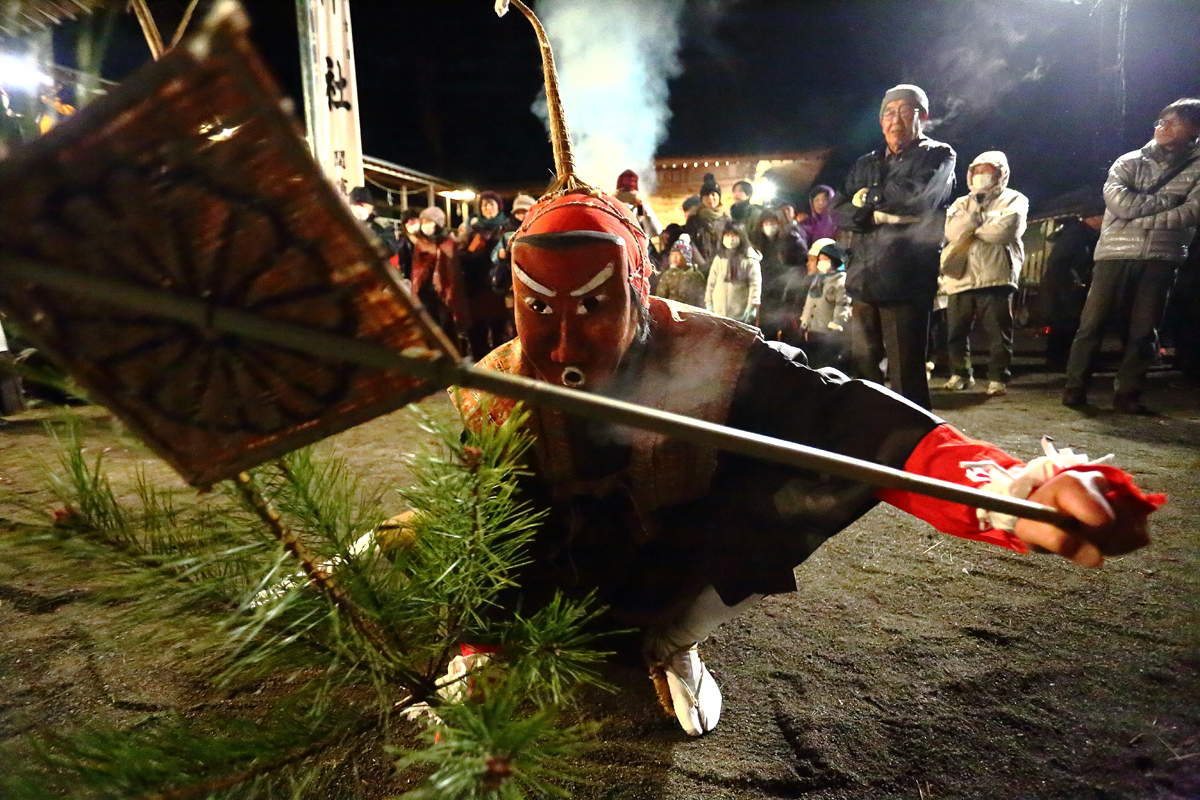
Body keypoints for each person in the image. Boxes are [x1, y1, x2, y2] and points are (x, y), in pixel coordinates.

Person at [445, 5, 1162, 741]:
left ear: (638, 289)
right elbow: (463, 533)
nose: (564, 338)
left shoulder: (713, 354)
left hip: (670, 559)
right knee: (478, 520)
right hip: (558, 570)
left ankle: (673, 637)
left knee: (819, 471)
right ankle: (489, 648)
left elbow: (864, 427)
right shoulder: (490, 388)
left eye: (593, 307)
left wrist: (1012, 493)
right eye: (538, 307)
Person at [1063, 98, 1200, 413]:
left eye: (1174, 122)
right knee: (1091, 325)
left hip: (1161, 256)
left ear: (1194, 128)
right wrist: (1167, 201)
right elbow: (1120, 204)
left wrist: (1140, 217)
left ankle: (1128, 394)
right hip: (1113, 252)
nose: (1163, 127)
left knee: (1143, 329)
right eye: (1161, 121)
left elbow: (1192, 212)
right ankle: (1074, 388)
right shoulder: (1127, 161)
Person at [834, 84, 956, 410]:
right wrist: (878, 212)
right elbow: (840, 208)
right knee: (863, 369)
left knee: (906, 375)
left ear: (923, 117)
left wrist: (867, 201)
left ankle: (913, 442)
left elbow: (916, 198)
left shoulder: (938, 155)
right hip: (862, 278)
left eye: (905, 111)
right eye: (889, 112)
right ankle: (871, 435)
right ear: (880, 120)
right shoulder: (867, 162)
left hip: (906, 280)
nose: (895, 120)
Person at [938, 151, 1029, 397]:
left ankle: (998, 378)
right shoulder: (961, 202)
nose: (982, 176)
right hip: (961, 278)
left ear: (1001, 173)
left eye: (988, 170)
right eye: (977, 171)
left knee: (998, 334)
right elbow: (953, 231)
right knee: (956, 332)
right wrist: (984, 221)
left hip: (997, 276)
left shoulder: (1015, 199)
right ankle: (960, 374)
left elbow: (1006, 230)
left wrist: (974, 227)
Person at [1039, 212, 1103, 371]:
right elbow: (1058, 262)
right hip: (1065, 291)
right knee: (1064, 325)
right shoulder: (1076, 234)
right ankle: (1059, 362)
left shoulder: (1084, 234)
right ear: (1093, 218)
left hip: (1069, 289)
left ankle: (1062, 361)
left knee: (1068, 326)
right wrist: (1073, 283)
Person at [459, 191, 513, 358]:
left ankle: (503, 370)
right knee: (477, 334)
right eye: (484, 205)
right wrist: (475, 251)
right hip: (476, 291)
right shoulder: (472, 231)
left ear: (499, 207)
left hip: (499, 290)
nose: (488, 208)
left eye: (492, 205)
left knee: (501, 334)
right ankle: (479, 373)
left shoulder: (508, 228)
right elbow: (461, 258)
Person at [411, 206, 466, 346]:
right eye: (423, 222)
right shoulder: (420, 245)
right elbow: (416, 270)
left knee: (448, 332)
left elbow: (453, 272)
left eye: (429, 221)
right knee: (429, 332)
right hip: (425, 295)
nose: (426, 225)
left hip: (445, 296)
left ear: (438, 224)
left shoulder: (449, 244)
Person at [752, 208, 808, 340]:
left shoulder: (791, 239)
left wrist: (792, 287)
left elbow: (801, 265)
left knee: (788, 331)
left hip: (787, 291)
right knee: (767, 331)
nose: (769, 226)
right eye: (765, 223)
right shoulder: (759, 242)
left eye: (772, 222)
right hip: (766, 292)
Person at [800, 241, 851, 368]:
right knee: (813, 362)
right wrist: (805, 322)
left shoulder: (840, 281)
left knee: (827, 363)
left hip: (826, 330)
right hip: (813, 329)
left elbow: (842, 304)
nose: (821, 262)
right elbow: (810, 302)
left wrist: (837, 323)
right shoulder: (818, 280)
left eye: (825, 259)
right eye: (820, 259)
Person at [705, 223, 762, 324]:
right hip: (719, 311)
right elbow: (711, 282)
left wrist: (752, 306)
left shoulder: (750, 260)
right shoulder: (720, 258)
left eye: (734, 235)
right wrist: (709, 302)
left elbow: (755, 285)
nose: (730, 239)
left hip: (739, 312)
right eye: (727, 235)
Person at [683, 174, 730, 271]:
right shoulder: (694, 219)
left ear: (719, 197)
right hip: (701, 269)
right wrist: (703, 265)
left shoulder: (726, 219)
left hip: (723, 268)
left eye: (713, 194)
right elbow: (691, 243)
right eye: (706, 195)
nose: (710, 198)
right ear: (702, 198)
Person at [655, 233, 706, 308]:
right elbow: (660, 298)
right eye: (672, 255)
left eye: (678, 255)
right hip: (671, 313)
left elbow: (700, 299)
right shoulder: (668, 275)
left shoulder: (695, 276)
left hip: (690, 313)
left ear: (686, 256)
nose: (674, 258)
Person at [615, 169, 663, 240]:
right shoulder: (612, 206)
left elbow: (657, 230)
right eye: (623, 193)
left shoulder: (640, 208)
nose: (626, 196)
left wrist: (642, 206)